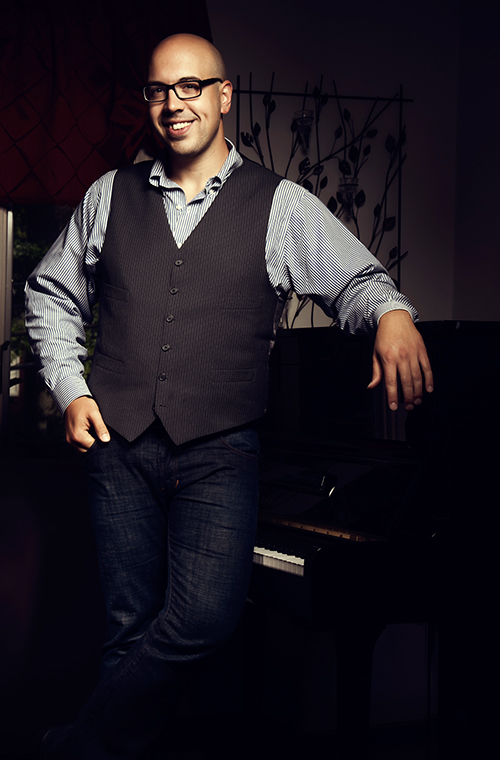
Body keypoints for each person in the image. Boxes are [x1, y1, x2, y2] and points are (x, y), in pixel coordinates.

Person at [25, 33, 433, 759]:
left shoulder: (280, 205)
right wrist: (70, 388)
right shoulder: (109, 195)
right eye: (159, 90)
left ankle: (74, 747)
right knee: (127, 627)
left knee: (205, 619)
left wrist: (393, 314)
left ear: (223, 95)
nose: (173, 103)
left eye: (190, 86)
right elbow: (51, 292)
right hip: (117, 445)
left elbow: (358, 281)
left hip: (220, 452)